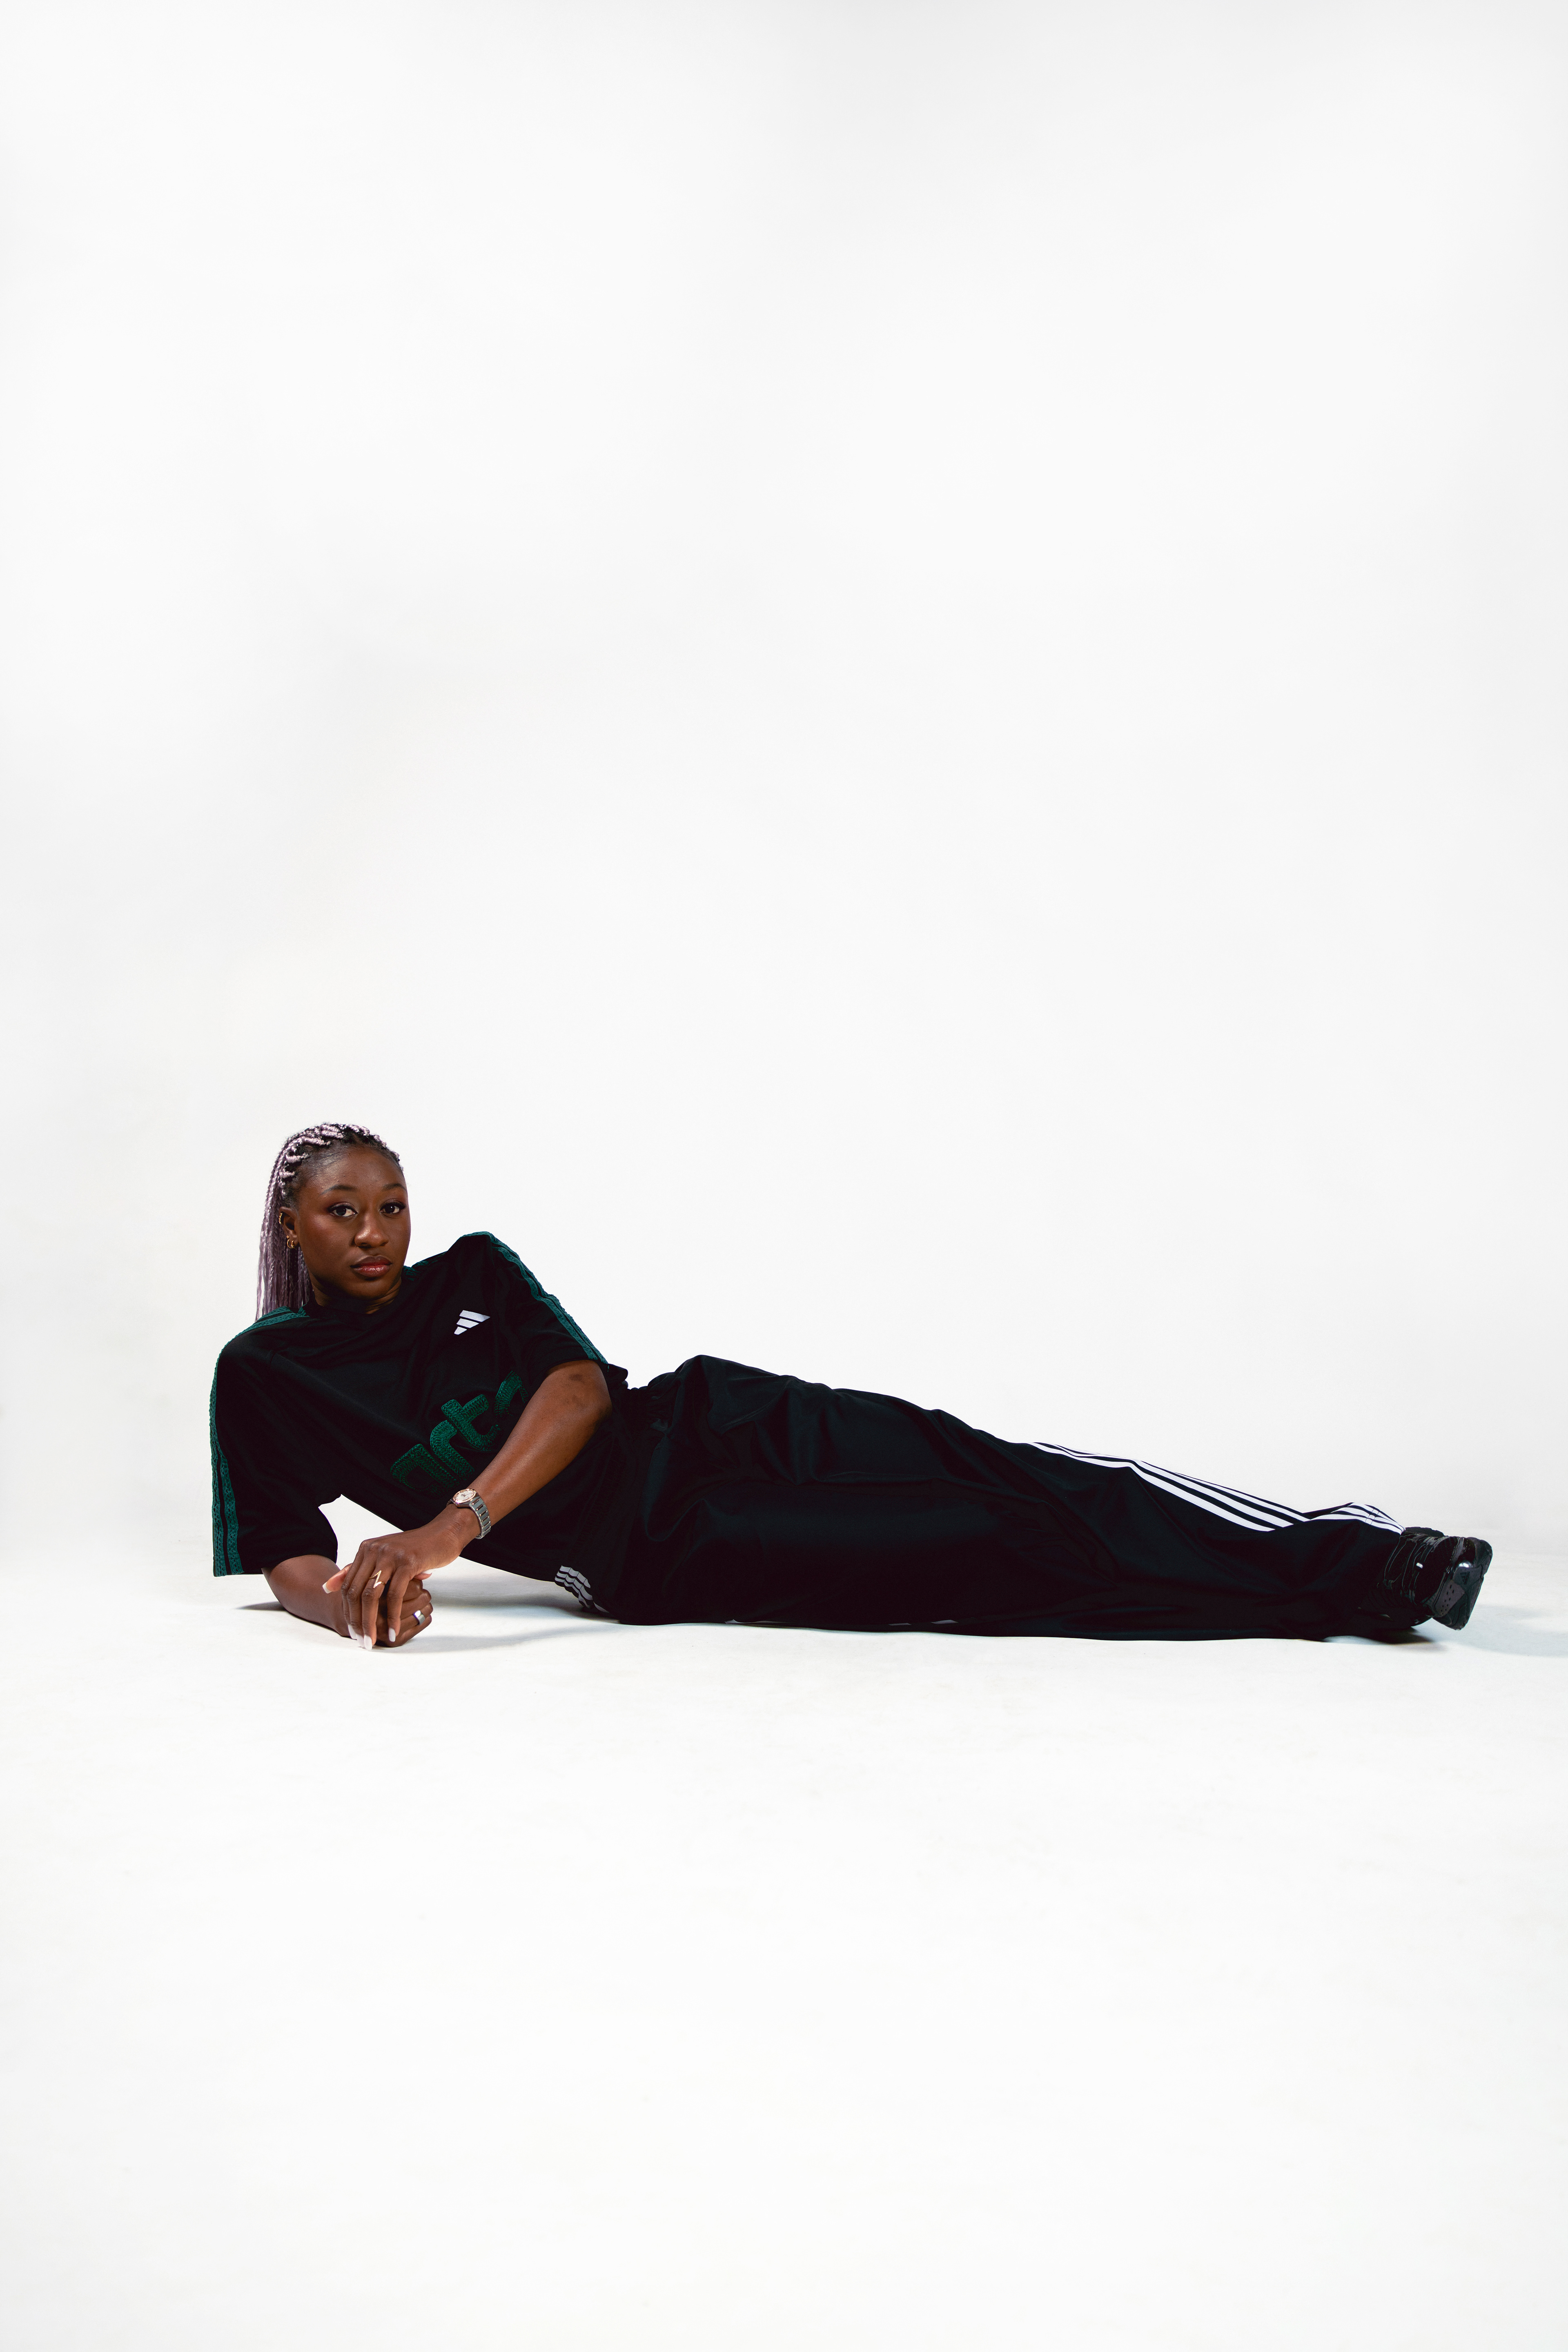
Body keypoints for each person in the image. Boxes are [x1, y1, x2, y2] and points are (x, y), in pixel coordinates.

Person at [211, 1122, 1493, 1650]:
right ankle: (1331, 1597)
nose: (375, 1232)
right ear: (292, 1225)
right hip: (661, 1546)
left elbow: (580, 1392)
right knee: (981, 1541)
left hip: (706, 1415)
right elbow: (284, 1551)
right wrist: (351, 1610)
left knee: (993, 1465)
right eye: (343, 1212)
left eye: (392, 1205)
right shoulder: (266, 1375)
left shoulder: (475, 1269)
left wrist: (446, 1532)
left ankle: (1361, 1560)